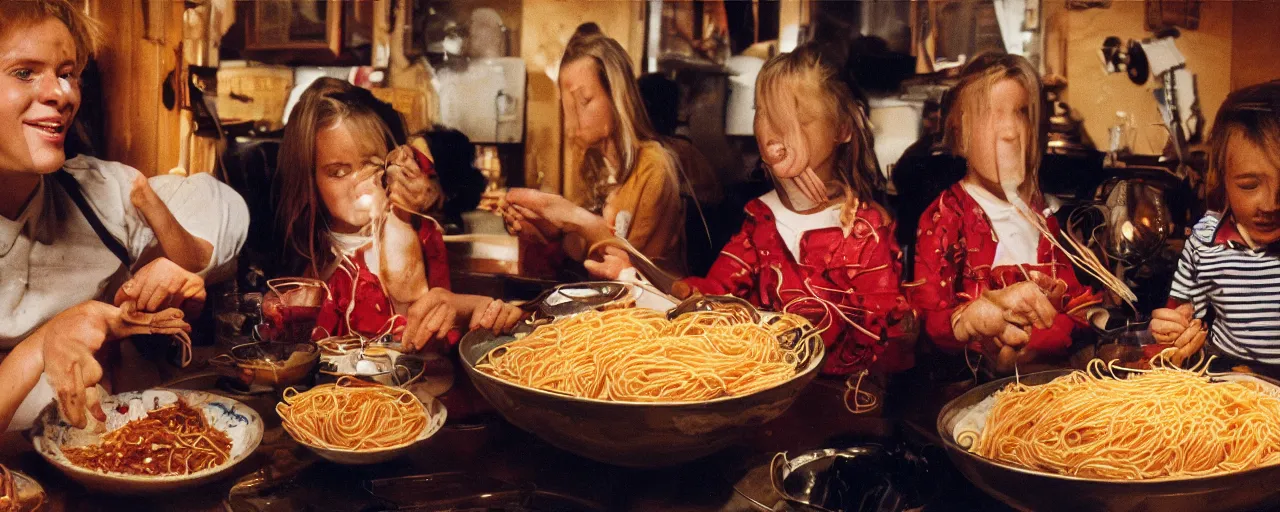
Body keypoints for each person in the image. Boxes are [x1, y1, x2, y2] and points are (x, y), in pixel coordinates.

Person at [0, 0, 248, 429]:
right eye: (24, 72)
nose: (60, 94)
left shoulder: (94, 191)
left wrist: (173, 264)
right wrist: (47, 342)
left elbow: (216, 204)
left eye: (67, 73)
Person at [598, 44, 913, 376]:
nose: (775, 130)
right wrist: (631, 278)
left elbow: (889, 342)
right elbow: (708, 307)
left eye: (798, 117)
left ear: (842, 129)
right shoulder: (759, 223)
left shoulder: (866, 229)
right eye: (764, 111)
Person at [274, 78, 521, 350]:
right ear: (310, 180)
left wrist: (481, 307)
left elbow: (428, 315)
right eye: (338, 172)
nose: (360, 184)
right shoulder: (311, 254)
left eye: (371, 164)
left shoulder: (417, 234)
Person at [907, 53, 1096, 375]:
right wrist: (969, 320)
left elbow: (1076, 304)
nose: (1010, 131)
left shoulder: (1043, 218)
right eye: (989, 116)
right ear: (958, 133)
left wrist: (1094, 320)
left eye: (1021, 113)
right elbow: (927, 322)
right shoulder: (946, 217)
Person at [500, 32, 688, 279]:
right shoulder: (594, 166)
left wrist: (573, 216)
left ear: (616, 96)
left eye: (584, 100)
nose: (573, 117)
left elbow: (634, 269)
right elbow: (581, 250)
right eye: (567, 105)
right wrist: (543, 228)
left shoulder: (654, 165)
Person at [1150, 80, 1280, 372]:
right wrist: (1170, 328)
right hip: (1224, 380)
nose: (1271, 204)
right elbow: (1178, 314)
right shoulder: (1205, 240)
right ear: (1222, 178)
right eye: (1249, 185)